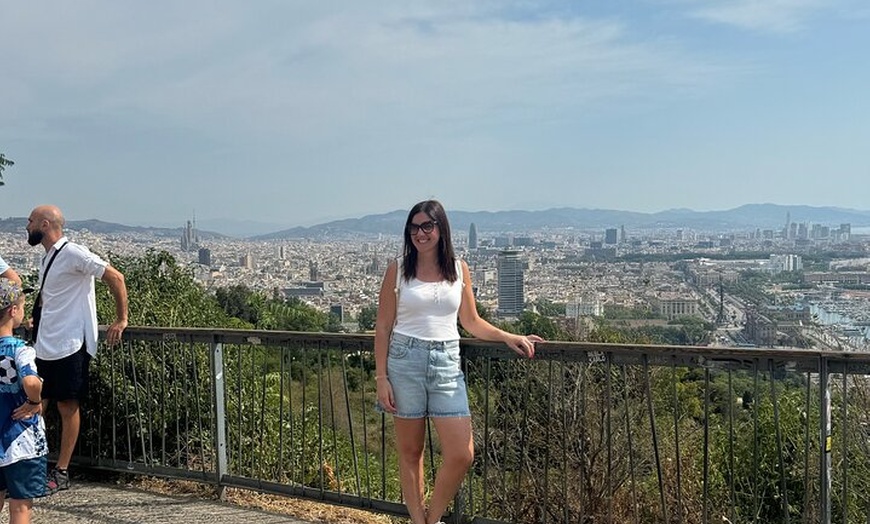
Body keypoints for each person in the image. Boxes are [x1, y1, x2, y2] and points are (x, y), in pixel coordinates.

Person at [374, 200, 542, 524]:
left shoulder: (458, 268)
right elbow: (382, 326)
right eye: (414, 227)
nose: (420, 233)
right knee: (411, 453)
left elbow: (471, 321)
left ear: (441, 229)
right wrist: (381, 378)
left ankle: (432, 517)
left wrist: (508, 336)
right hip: (404, 361)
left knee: (462, 454)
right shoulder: (397, 269)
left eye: (427, 226)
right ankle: (420, 521)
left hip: (447, 362)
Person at [25, 205, 128, 494]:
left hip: (71, 343)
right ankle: (33, 466)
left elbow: (115, 277)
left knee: (67, 405)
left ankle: (62, 470)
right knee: (37, 404)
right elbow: (51, 297)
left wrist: (121, 319)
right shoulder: (48, 258)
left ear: (45, 224)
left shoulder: (73, 252)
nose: (27, 225)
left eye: (31, 221)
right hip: (47, 341)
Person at [0, 278, 48, 523]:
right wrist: (34, 401)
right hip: (19, 440)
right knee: (20, 505)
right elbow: (30, 381)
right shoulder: (20, 349)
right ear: (13, 310)